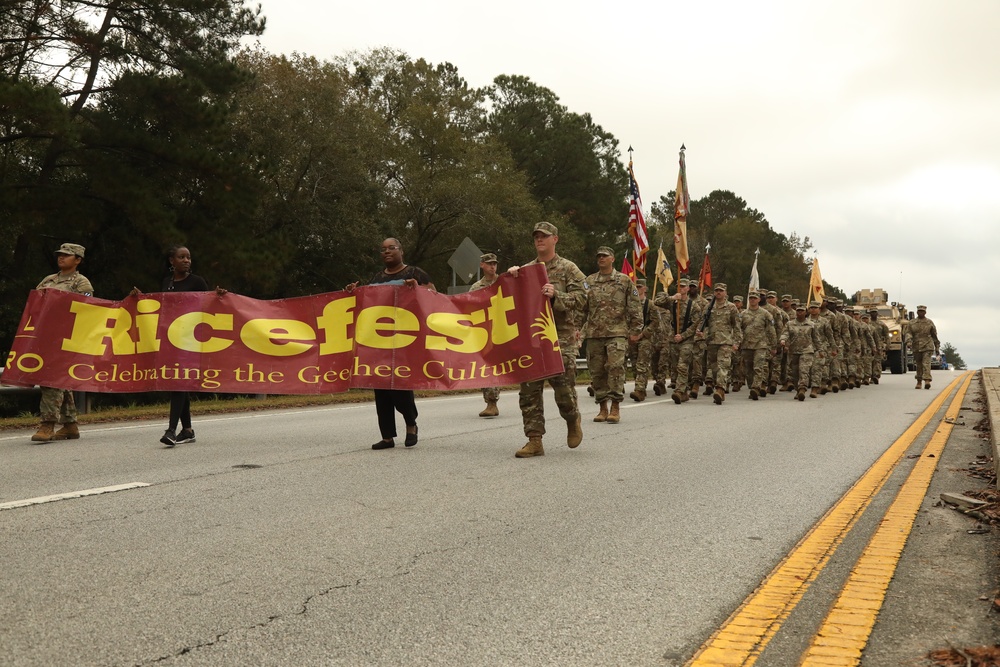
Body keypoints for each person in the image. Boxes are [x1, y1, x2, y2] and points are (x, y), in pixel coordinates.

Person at [506, 222, 586, 458]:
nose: (540, 240)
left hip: (561, 339)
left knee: (564, 390)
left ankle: (572, 419)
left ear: (555, 239)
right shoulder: (526, 270)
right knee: (529, 391)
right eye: (536, 237)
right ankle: (534, 440)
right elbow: (510, 300)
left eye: (544, 236)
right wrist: (512, 278)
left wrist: (556, 295)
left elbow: (583, 297)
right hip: (533, 339)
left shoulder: (568, 268)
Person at [347, 238, 435, 449]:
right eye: (383, 249)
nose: (387, 252)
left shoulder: (415, 273)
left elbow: (435, 298)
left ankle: (411, 423)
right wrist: (353, 293)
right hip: (379, 341)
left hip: (404, 340)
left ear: (401, 251)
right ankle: (387, 436)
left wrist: (417, 290)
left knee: (400, 385)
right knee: (380, 388)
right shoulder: (376, 278)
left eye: (391, 248)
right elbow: (368, 305)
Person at [133, 245, 225, 447]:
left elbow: (210, 305)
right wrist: (140, 299)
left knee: (179, 383)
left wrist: (219, 295)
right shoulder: (167, 282)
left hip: (191, 341)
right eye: (181, 257)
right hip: (171, 341)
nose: (186, 260)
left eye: (189, 257)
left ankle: (171, 430)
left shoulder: (197, 282)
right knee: (178, 383)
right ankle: (188, 430)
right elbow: (161, 308)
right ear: (171, 261)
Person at [31, 243, 93, 443]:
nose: (61, 257)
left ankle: (47, 424)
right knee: (60, 380)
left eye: (67, 255)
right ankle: (70, 425)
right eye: (60, 254)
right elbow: (35, 304)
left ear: (77, 260)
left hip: (67, 338)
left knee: (50, 379)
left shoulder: (82, 283)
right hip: (45, 335)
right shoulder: (49, 280)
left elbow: (87, 311)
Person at [581, 246, 643, 423]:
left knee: (615, 368)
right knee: (597, 372)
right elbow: (582, 308)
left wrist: (636, 330)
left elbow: (635, 307)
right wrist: (578, 329)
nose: (601, 258)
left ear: (612, 259)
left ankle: (615, 406)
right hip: (594, 333)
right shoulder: (589, 281)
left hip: (617, 333)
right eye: (599, 256)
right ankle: (602, 407)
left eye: (605, 256)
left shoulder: (624, 281)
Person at [469, 253, 502, 417]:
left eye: (495, 264)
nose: (493, 266)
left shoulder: (504, 282)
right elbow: (468, 307)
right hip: (486, 331)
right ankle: (491, 402)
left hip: (506, 329)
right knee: (488, 366)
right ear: (482, 265)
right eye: (489, 264)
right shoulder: (476, 288)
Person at [699, 283, 741, 404]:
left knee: (723, 366)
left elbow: (737, 326)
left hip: (725, 342)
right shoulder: (708, 307)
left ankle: (720, 389)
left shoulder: (731, 307)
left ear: (725, 293)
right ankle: (720, 386)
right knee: (714, 368)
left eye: (721, 291)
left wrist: (736, 342)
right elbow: (703, 323)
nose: (718, 292)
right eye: (716, 290)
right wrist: (702, 333)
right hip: (711, 341)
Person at [739, 291, 776, 400]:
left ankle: (756, 388)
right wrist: (737, 342)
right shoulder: (743, 314)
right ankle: (752, 386)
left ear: (759, 300)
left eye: (755, 298)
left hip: (761, 345)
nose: (753, 300)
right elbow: (738, 330)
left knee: (758, 367)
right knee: (748, 369)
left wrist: (774, 346)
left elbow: (771, 330)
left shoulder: (765, 314)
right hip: (746, 345)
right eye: (751, 298)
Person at [780, 303, 821, 401]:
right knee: (794, 372)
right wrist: (783, 340)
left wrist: (820, 350)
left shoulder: (811, 324)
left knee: (804, 370)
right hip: (793, 351)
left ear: (806, 312)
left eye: (802, 311)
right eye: (798, 311)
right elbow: (785, 333)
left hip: (807, 350)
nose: (800, 312)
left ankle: (802, 389)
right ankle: (797, 389)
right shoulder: (790, 324)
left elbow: (816, 339)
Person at [908, 305, 940, 390]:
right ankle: (919, 381)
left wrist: (937, 348)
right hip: (916, 346)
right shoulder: (912, 323)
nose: (921, 312)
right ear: (917, 312)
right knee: (918, 364)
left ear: (925, 312)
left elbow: (934, 335)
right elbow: (908, 333)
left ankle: (927, 380)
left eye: (922, 311)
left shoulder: (929, 322)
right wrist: (908, 341)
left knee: (926, 363)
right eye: (919, 311)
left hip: (927, 345)